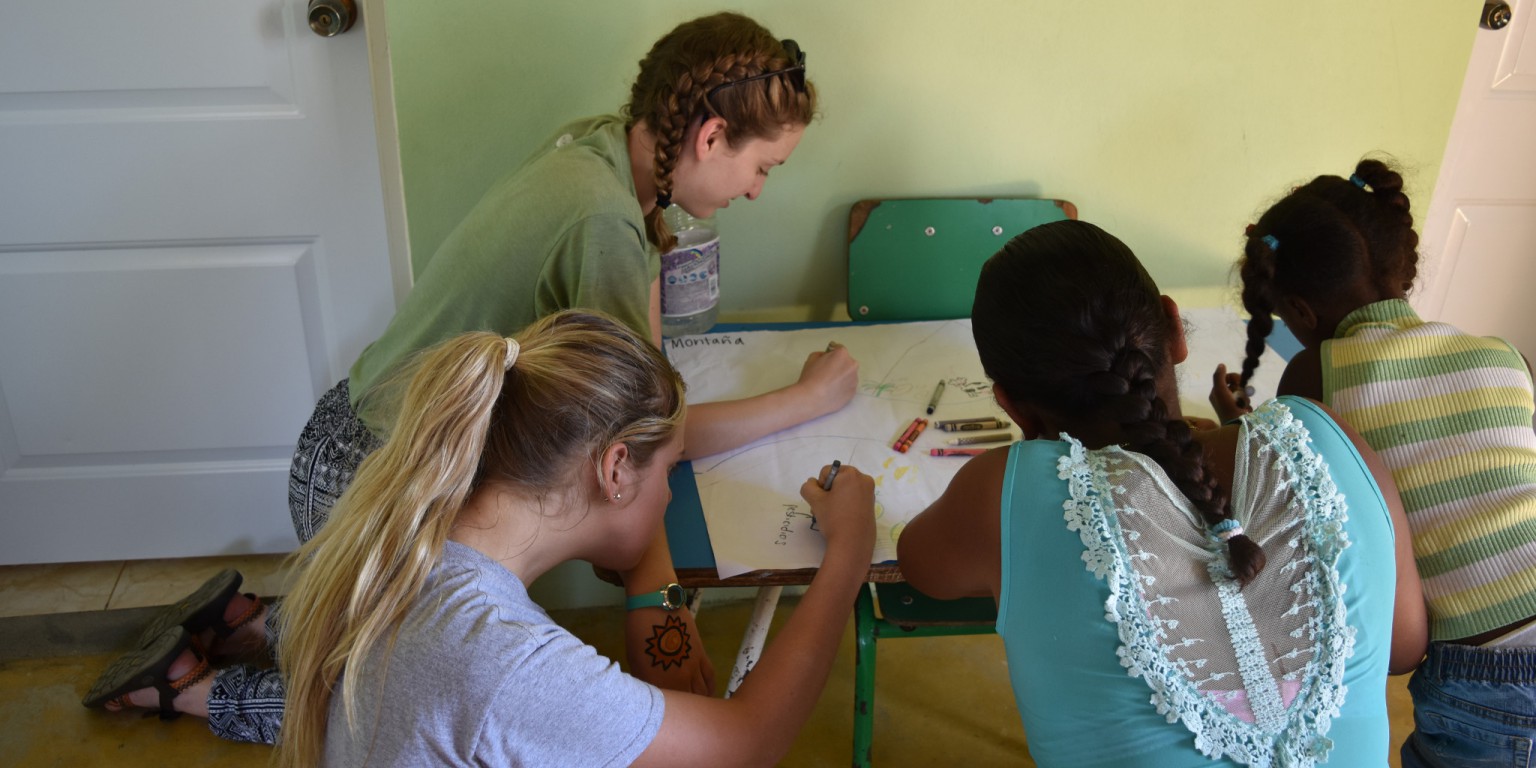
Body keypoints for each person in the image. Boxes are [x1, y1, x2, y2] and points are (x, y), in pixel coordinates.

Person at [83, 11, 857, 742]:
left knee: (373, 632)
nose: (757, 190)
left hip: (342, 439)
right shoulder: (605, 226)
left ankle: (250, 623)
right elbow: (654, 436)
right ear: (713, 135)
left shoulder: (599, 148)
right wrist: (804, 400)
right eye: (762, 167)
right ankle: (182, 687)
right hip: (377, 483)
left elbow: (645, 391)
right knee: (382, 698)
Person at [897, 220, 1426, 767]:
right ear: (1175, 330)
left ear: (1010, 405)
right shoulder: (1326, 438)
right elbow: (1404, 646)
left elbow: (921, 567)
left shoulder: (1002, 490)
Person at [269, 310, 874, 766]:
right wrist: (848, 554)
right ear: (613, 471)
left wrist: (660, 598)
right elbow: (749, 740)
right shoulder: (504, 660)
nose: (669, 497)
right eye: (669, 471)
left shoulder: (408, 542)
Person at [1211, 158, 1536, 768]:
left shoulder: (1313, 374)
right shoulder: (1503, 355)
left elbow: (1294, 489)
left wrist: (1236, 428)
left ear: (1302, 313)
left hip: (1494, 674)